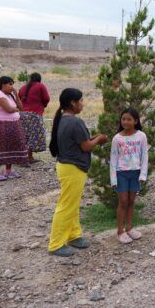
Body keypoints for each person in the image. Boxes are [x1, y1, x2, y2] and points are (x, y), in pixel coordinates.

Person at [48, 88, 107, 257]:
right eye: (80, 100)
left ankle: (74, 235)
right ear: (73, 103)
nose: (83, 103)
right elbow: (86, 146)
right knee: (66, 206)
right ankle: (56, 244)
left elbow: (80, 141)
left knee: (72, 204)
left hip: (66, 166)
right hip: (73, 169)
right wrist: (99, 139)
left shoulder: (64, 120)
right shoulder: (75, 122)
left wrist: (92, 138)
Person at [109, 108, 149, 244]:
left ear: (136, 121)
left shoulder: (141, 136)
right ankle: (120, 231)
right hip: (121, 174)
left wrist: (143, 174)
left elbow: (145, 156)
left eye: (129, 119)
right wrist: (113, 179)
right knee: (123, 202)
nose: (125, 121)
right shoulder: (117, 138)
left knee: (132, 201)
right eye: (123, 119)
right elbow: (113, 159)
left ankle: (129, 228)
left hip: (135, 173)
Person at [0, 76, 28, 181]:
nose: (12, 87)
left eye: (12, 84)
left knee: (11, 146)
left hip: (14, 124)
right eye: (10, 84)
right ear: (3, 84)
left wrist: (16, 95)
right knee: (0, 147)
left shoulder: (10, 95)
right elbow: (9, 109)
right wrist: (17, 109)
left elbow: (21, 107)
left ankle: (8, 170)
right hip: (2, 125)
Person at [18, 72, 50, 164]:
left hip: (22, 114)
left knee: (25, 136)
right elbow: (46, 98)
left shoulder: (23, 87)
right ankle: (28, 158)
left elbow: (19, 99)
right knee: (33, 136)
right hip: (34, 115)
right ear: (39, 79)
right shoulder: (41, 86)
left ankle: (26, 157)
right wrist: (43, 105)